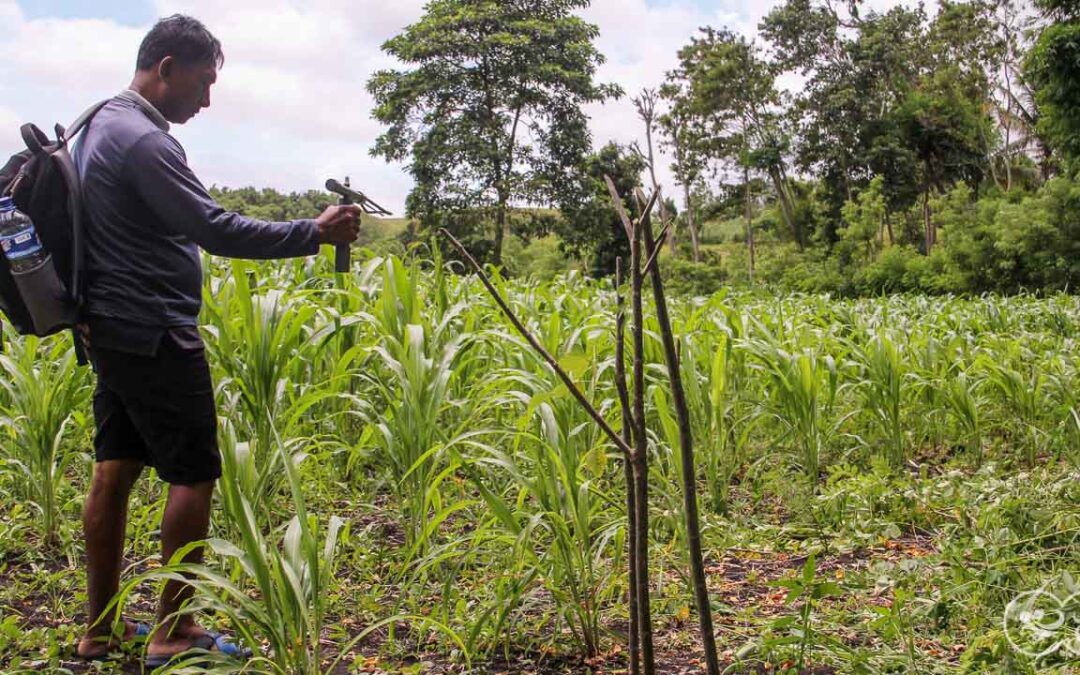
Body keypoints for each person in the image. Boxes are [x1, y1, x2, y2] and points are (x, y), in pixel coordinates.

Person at [71, 14, 361, 665]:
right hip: (156, 332)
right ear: (166, 67)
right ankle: (172, 631)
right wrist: (311, 233)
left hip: (111, 329)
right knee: (194, 475)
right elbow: (214, 227)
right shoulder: (145, 142)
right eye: (202, 84)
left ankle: (99, 629)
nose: (206, 100)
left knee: (114, 469)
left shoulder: (93, 124)